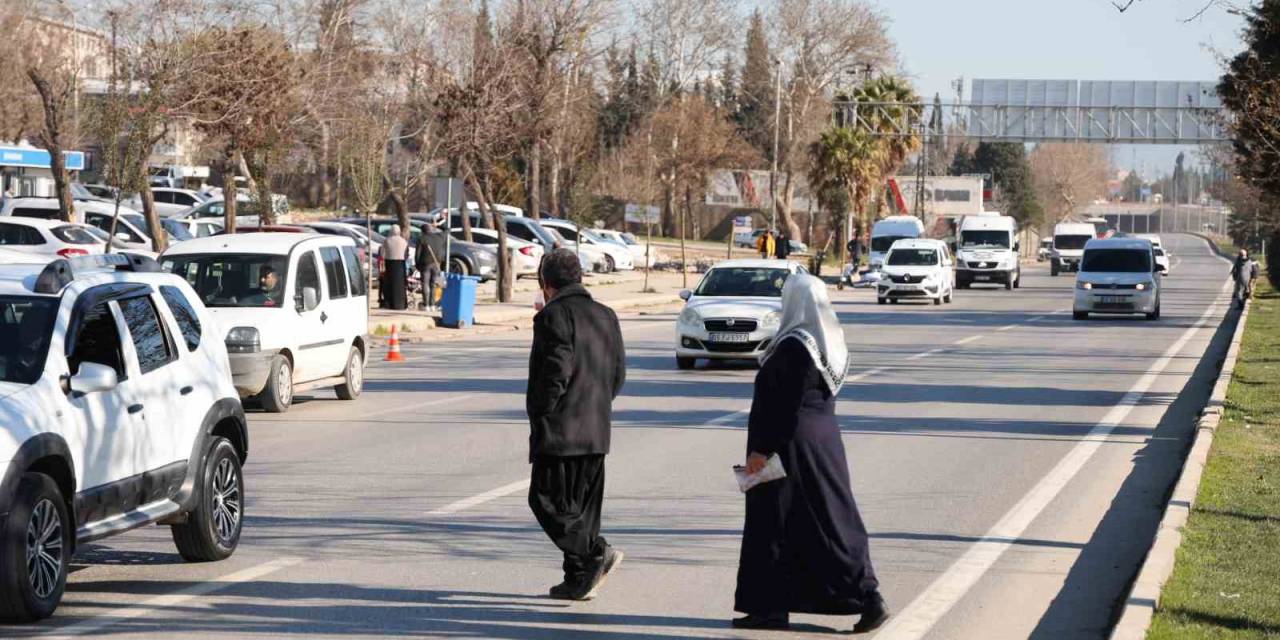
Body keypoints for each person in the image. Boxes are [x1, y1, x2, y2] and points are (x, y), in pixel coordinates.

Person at [734, 274, 888, 633]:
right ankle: (770, 607)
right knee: (797, 521)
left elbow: (785, 407)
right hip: (821, 442)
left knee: (807, 520)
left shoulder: (795, 347)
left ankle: (868, 596)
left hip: (792, 448)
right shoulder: (826, 342)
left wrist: (762, 451)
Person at [526, 249, 627, 601]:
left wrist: (542, 410)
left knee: (545, 500)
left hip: (561, 432)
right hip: (596, 429)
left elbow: (556, 370)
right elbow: (618, 373)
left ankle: (595, 553)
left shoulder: (553, 316)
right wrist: (597, 405)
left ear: (546, 283)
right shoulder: (606, 315)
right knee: (582, 509)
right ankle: (578, 579)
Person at [415, 222, 447, 311]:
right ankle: (433, 305)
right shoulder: (439, 237)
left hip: (425, 264)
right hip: (437, 264)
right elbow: (447, 230)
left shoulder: (421, 239)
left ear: (422, 231)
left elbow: (418, 254)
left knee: (425, 284)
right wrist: (437, 225)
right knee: (433, 284)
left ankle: (426, 305)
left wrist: (417, 265)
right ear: (431, 230)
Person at [381, 225, 409, 310]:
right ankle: (401, 304)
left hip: (390, 263)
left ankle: (390, 303)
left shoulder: (387, 240)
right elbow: (407, 253)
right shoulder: (403, 241)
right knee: (400, 284)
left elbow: (382, 253)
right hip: (401, 263)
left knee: (390, 284)